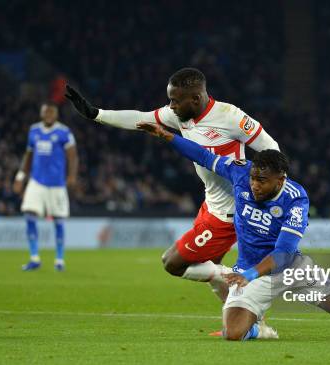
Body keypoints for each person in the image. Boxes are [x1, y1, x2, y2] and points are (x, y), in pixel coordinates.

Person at [138, 122, 330, 341]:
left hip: (290, 269)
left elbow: (283, 255)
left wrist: (251, 274)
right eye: (254, 178)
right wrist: (167, 136)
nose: (255, 185)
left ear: (280, 179)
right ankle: (257, 327)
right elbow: (203, 156)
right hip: (250, 271)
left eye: (263, 181)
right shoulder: (240, 174)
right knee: (233, 335)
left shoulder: (295, 198)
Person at [65, 68, 280, 303]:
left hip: (229, 214)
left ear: (196, 99)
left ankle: (231, 277)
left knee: (173, 262)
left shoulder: (231, 117)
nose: (171, 106)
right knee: (209, 268)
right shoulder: (179, 115)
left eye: (175, 101)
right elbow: (141, 117)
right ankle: (250, 325)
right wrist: (96, 114)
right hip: (210, 205)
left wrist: (254, 184)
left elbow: (272, 151)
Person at [13, 102, 78, 271]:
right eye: (46, 111)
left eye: (52, 112)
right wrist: (20, 176)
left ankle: (59, 260)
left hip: (57, 184)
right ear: (41, 113)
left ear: (56, 114)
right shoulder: (34, 130)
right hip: (36, 181)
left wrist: (71, 176)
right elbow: (28, 155)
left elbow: (72, 156)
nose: (48, 114)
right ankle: (34, 257)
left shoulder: (64, 132)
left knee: (58, 220)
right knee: (28, 213)